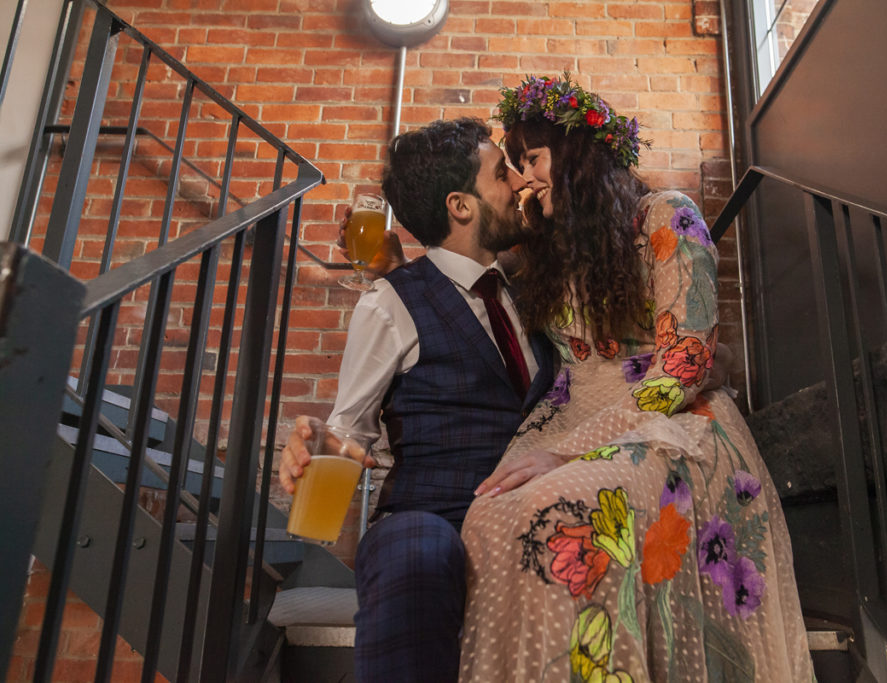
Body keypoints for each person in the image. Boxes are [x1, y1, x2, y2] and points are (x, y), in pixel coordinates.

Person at [457, 76, 813, 682]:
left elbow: (687, 361)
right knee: (485, 517)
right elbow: (469, 255)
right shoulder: (546, 249)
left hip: (667, 422)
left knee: (567, 505)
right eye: (514, 167)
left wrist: (565, 453)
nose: (523, 178)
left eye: (533, 159)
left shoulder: (668, 217)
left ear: (578, 160)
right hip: (567, 417)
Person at [278, 117, 556, 682]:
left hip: (532, 508)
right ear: (461, 205)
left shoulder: (533, 291)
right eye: (501, 173)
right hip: (428, 512)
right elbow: (349, 435)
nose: (519, 184)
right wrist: (314, 447)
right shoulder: (388, 303)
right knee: (415, 552)